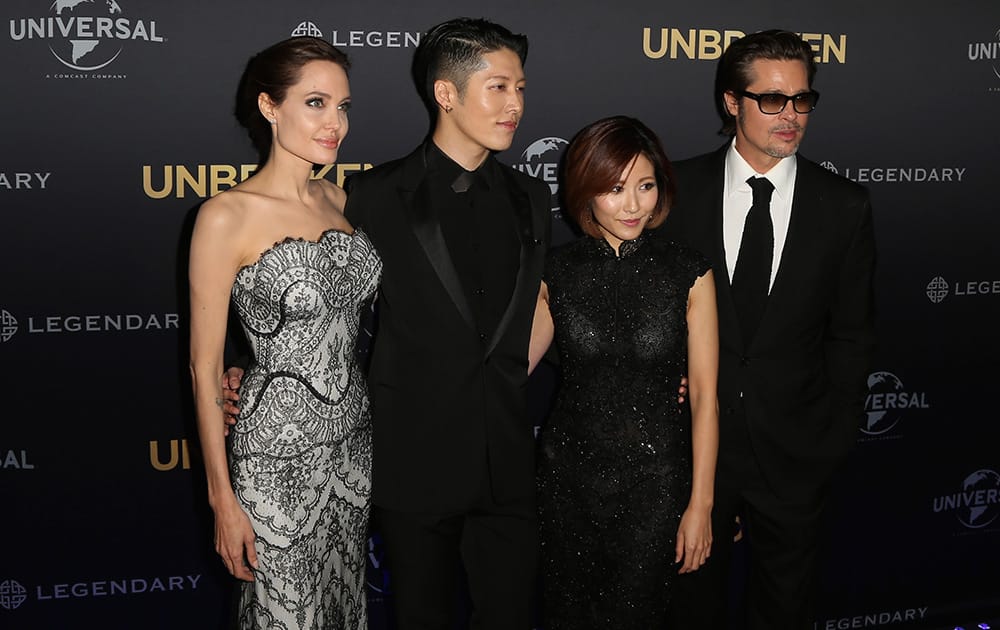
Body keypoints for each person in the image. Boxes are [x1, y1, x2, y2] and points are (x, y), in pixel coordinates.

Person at [225, 18, 551, 629]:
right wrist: (245, 366)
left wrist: (506, 376)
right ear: (446, 93)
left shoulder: (532, 197)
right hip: (412, 461)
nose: (516, 105)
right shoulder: (371, 196)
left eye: (522, 89)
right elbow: (300, 287)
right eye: (500, 87)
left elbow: (539, 307)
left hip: (507, 459)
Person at [658, 30, 876, 629]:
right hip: (693, 453)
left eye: (803, 100)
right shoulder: (673, 192)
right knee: (689, 610)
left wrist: (832, 437)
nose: (791, 117)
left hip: (797, 455)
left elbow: (852, 336)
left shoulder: (843, 206)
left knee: (785, 613)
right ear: (732, 101)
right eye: (772, 100)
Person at [188, 37, 381, 629]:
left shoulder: (339, 198)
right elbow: (203, 367)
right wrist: (223, 499)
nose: (336, 124)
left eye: (344, 106)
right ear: (270, 107)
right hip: (275, 456)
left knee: (344, 609)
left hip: (352, 446)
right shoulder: (226, 215)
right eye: (317, 103)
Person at [527, 116, 719, 628]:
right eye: (614, 188)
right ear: (586, 191)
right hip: (567, 482)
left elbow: (704, 397)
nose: (634, 204)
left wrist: (700, 505)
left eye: (646, 186)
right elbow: (509, 369)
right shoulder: (557, 272)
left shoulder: (689, 272)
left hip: (656, 486)